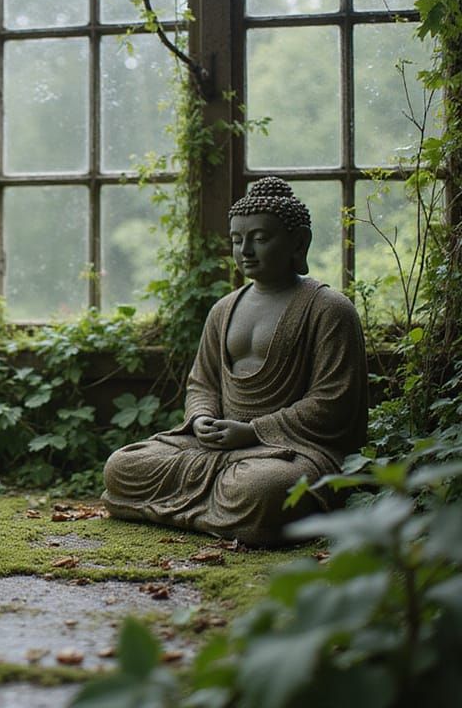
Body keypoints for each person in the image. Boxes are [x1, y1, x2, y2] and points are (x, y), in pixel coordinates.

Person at [101, 176, 368, 546]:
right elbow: (203, 383)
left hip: (289, 450)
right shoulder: (224, 309)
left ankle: (205, 513)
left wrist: (255, 432)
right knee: (122, 466)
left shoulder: (328, 309)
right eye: (237, 240)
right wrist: (201, 419)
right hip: (218, 447)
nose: (246, 251)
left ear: (298, 242)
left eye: (260, 238)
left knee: (264, 489)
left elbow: (334, 402)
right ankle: (229, 519)